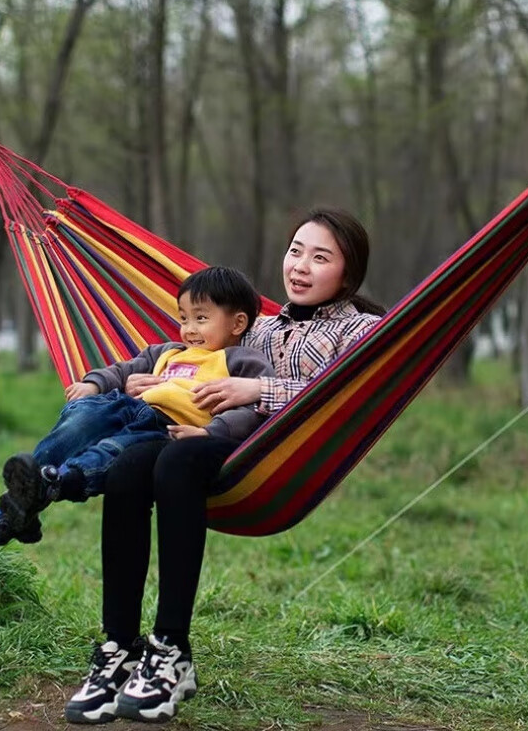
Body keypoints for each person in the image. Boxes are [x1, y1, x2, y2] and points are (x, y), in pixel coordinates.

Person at [64, 207, 385, 725]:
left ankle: (170, 647)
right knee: (127, 468)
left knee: (177, 461)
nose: (300, 266)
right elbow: (193, 360)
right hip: (197, 435)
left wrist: (259, 389)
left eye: (319, 257)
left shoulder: (365, 331)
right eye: (295, 251)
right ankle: (119, 647)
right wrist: (154, 383)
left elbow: (351, 396)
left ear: (346, 275)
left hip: (267, 457)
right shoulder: (252, 327)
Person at [0, 266, 274, 547]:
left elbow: (252, 411)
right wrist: (94, 384)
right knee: (79, 421)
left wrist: (210, 432)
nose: (189, 328)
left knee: (113, 451)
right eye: (183, 318)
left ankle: (54, 485)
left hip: (162, 426)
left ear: (238, 323)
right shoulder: (167, 352)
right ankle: (16, 507)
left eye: (201, 318)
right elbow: (123, 370)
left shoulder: (242, 362)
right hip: (123, 406)